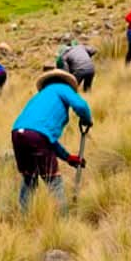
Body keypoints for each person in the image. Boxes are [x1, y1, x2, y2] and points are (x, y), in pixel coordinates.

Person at [10, 69, 91, 213]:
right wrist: (87, 119)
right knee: (54, 181)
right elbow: (81, 106)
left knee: (29, 178)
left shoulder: (39, 97)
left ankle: (24, 217)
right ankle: (63, 220)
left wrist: (67, 157)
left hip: (18, 133)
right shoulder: (62, 88)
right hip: (36, 136)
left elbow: (44, 138)